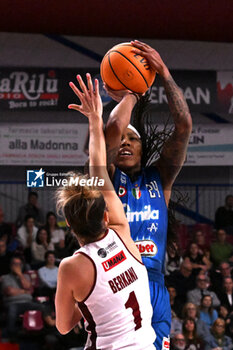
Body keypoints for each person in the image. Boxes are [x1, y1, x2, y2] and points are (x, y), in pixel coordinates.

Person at [55, 73, 156, 349]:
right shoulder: (122, 232)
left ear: (68, 224)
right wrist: (94, 117)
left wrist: (89, 298)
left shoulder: (72, 267)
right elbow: (98, 169)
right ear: (106, 216)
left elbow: (63, 326)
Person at [104, 39, 192, 350]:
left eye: (133, 139)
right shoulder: (110, 180)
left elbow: (183, 125)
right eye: (122, 141)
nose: (125, 143)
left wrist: (164, 74)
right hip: (119, 282)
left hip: (155, 286)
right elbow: (113, 126)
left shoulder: (160, 178)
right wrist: (132, 93)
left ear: (144, 148)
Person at [1, 255, 42, 337]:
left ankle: (43, 334)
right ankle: (11, 334)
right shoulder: (5, 277)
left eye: (19, 264)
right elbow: (9, 291)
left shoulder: (25, 276)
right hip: (13, 303)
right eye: (15, 264)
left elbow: (29, 288)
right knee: (12, 310)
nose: (17, 266)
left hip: (28, 302)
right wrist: (24, 291)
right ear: (10, 266)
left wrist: (19, 275)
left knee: (42, 307)